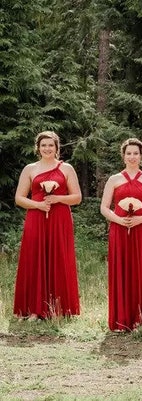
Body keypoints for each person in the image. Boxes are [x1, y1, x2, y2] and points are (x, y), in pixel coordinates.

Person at [13, 131, 82, 320]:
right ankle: (33, 309)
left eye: (51, 145)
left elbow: (77, 198)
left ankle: (59, 308)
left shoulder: (66, 168)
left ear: (57, 147)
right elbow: (19, 198)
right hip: (35, 218)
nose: (47, 148)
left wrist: (57, 198)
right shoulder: (30, 169)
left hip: (60, 219)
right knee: (34, 259)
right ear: (38, 147)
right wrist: (38, 205)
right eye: (43, 145)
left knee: (59, 257)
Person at [100, 138, 142, 331]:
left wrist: (139, 220)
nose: (132, 157)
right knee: (121, 269)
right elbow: (104, 207)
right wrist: (118, 220)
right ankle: (121, 319)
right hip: (119, 229)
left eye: (136, 153)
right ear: (123, 156)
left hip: (141, 229)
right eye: (129, 153)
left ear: (141, 156)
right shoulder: (114, 179)